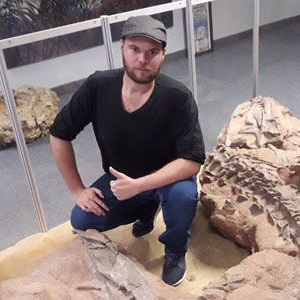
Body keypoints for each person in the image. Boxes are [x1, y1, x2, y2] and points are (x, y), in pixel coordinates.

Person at [48, 15, 205, 286]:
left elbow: (192, 161)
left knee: (184, 196)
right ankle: (146, 209)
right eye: (135, 49)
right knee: (82, 219)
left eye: (152, 52)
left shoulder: (178, 98)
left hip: (166, 179)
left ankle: (176, 251)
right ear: (122, 48)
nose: (143, 59)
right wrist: (77, 190)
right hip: (121, 180)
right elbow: (59, 134)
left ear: (162, 55)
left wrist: (141, 185)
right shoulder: (98, 86)